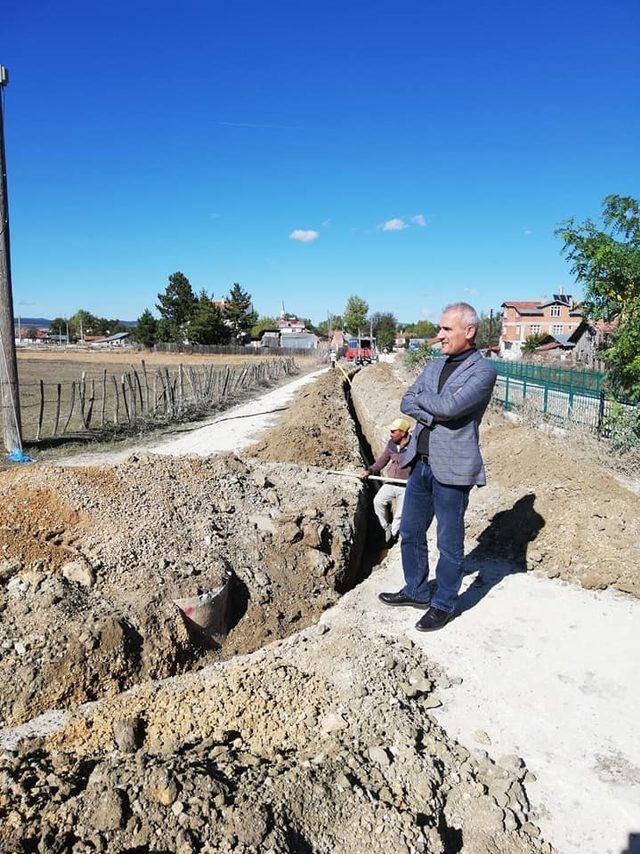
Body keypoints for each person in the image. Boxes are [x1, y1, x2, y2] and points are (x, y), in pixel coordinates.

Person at [378, 302, 497, 632]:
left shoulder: (482, 371)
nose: (439, 335)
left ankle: (444, 603)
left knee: (449, 542)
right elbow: (407, 401)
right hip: (420, 463)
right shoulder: (433, 366)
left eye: (446, 329)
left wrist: (428, 405)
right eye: (440, 328)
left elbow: (452, 407)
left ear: (468, 331)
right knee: (412, 532)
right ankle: (416, 590)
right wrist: (436, 409)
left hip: (453, 468)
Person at [361, 417, 412, 543]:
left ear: (403, 432)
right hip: (391, 482)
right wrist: (370, 470)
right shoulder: (391, 444)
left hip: (406, 486)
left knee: (400, 514)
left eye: (393, 431)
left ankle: (393, 537)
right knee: (378, 501)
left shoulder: (414, 446)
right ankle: (386, 527)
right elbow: (382, 460)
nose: (391, 434)